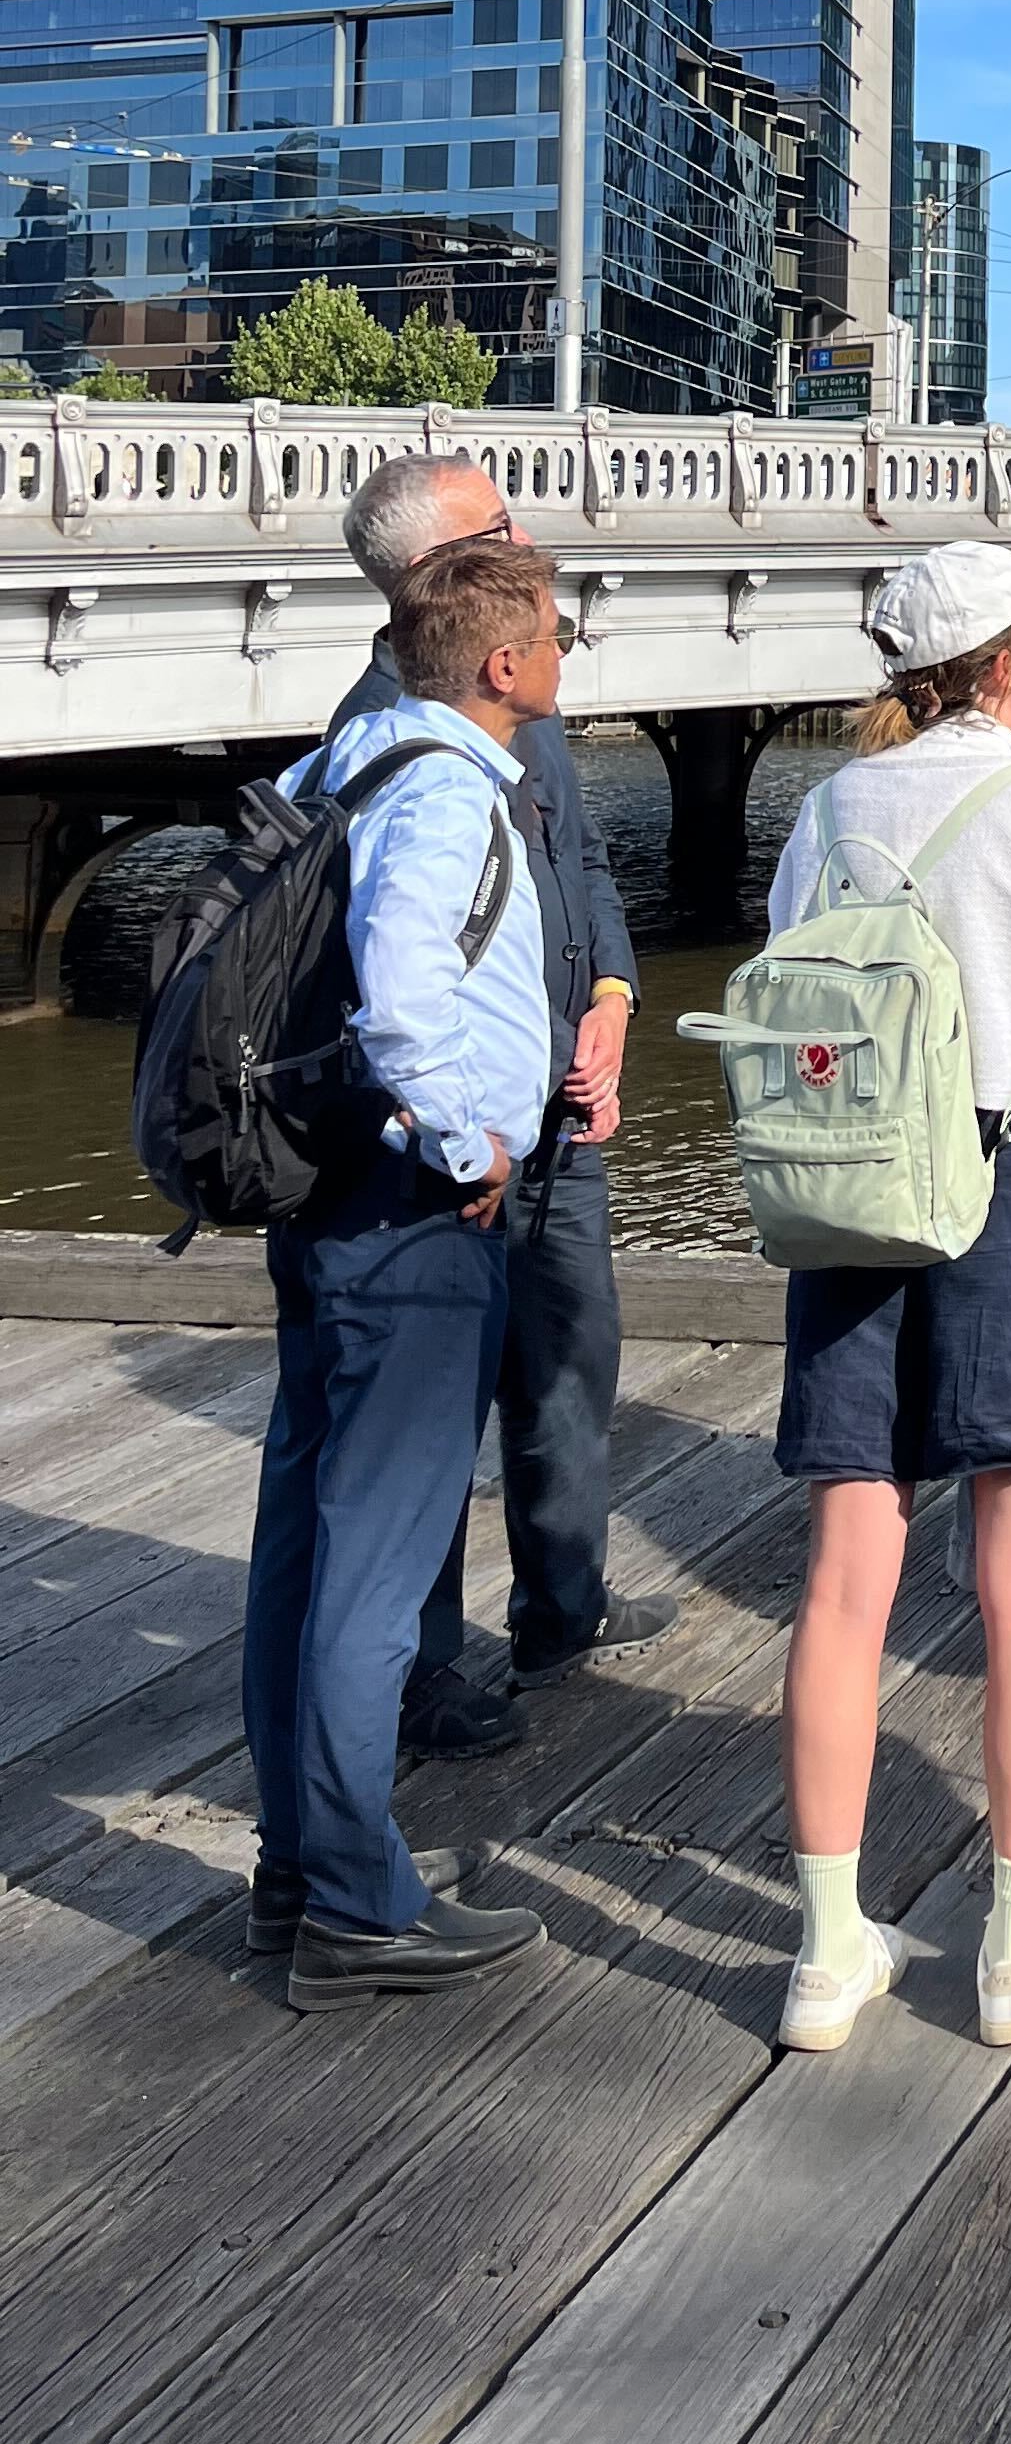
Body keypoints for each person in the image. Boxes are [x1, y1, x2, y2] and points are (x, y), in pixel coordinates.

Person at [765, 540, 1011, 2057]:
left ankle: (823, 1947)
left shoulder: (829, 809)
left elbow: (794, 977)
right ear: (997, 664)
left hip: (857, 1180)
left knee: (846, 1577)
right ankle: (1008, 1937)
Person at [242, 532, 566, 2004]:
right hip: (406, 1217)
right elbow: (399, 986)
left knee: (304, 1548)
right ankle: (360, 1907)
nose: (566, 656)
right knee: (374, 1567)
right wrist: (469, 1149)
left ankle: (296, 1871)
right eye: (556, 634)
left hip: (318, 1205)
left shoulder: (343, 763)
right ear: (503, 665)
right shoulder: (444, 787)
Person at [332, 449, 672, 1757]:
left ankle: (562, 1610)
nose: (532, 533)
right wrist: (455, 1125)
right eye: (501, 523)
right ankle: (419, 1669)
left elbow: (581, 867)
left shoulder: (518, 705)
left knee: (571, 1361)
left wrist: (614, 1001)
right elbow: (394, 979)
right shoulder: (386, 733)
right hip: (453, 1140)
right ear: (438, 573)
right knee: (434, 1409)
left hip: (558, 1115)